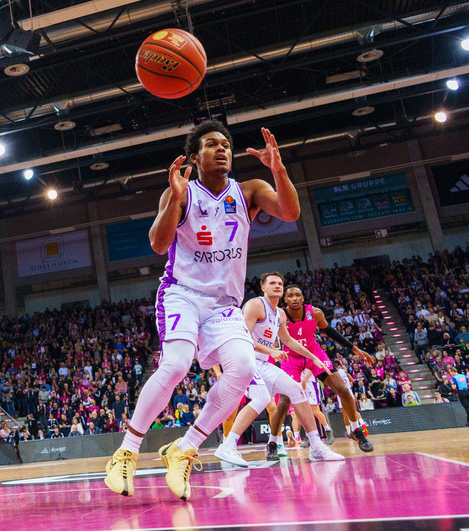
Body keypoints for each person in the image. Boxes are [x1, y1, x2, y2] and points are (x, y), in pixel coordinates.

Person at [104, 122, 300, 501]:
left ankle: (185, 447)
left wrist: (279, 169)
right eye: (212, 144)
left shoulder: (250, 191)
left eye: (226, 144)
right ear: (195, 156)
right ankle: (126, 450)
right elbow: (159, 245)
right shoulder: (179, 192)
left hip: (224, 304)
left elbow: (290, 213)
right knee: (176, 364)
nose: (222, 149)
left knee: (243, 369)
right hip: (183, 294)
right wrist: (175, 200)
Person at [212, 272, 343, 466]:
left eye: (280, 283)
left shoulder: (280, 314)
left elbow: (288, 340)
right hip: (244, 360)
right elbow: (243, 338)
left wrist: (313, 357)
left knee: (297, 390)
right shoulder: (255, 305)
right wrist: (271, 351)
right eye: (272, 283)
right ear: (263, 287)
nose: (277, 286)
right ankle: (227, 446)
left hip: (262, 363)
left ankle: (316, 447)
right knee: (261, 399)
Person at [269, 284, 376, 452]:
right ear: (285, 299)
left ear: (303, 298)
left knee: (343, 389)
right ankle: (273, 442)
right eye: (290, 296)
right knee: (283, 402)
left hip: (314, 354)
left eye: (298, 295)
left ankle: (355, 430)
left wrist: (355, 349)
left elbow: (332, 332)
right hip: (291, 358)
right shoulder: (278, 315)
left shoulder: (315, 313)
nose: (294, 298)